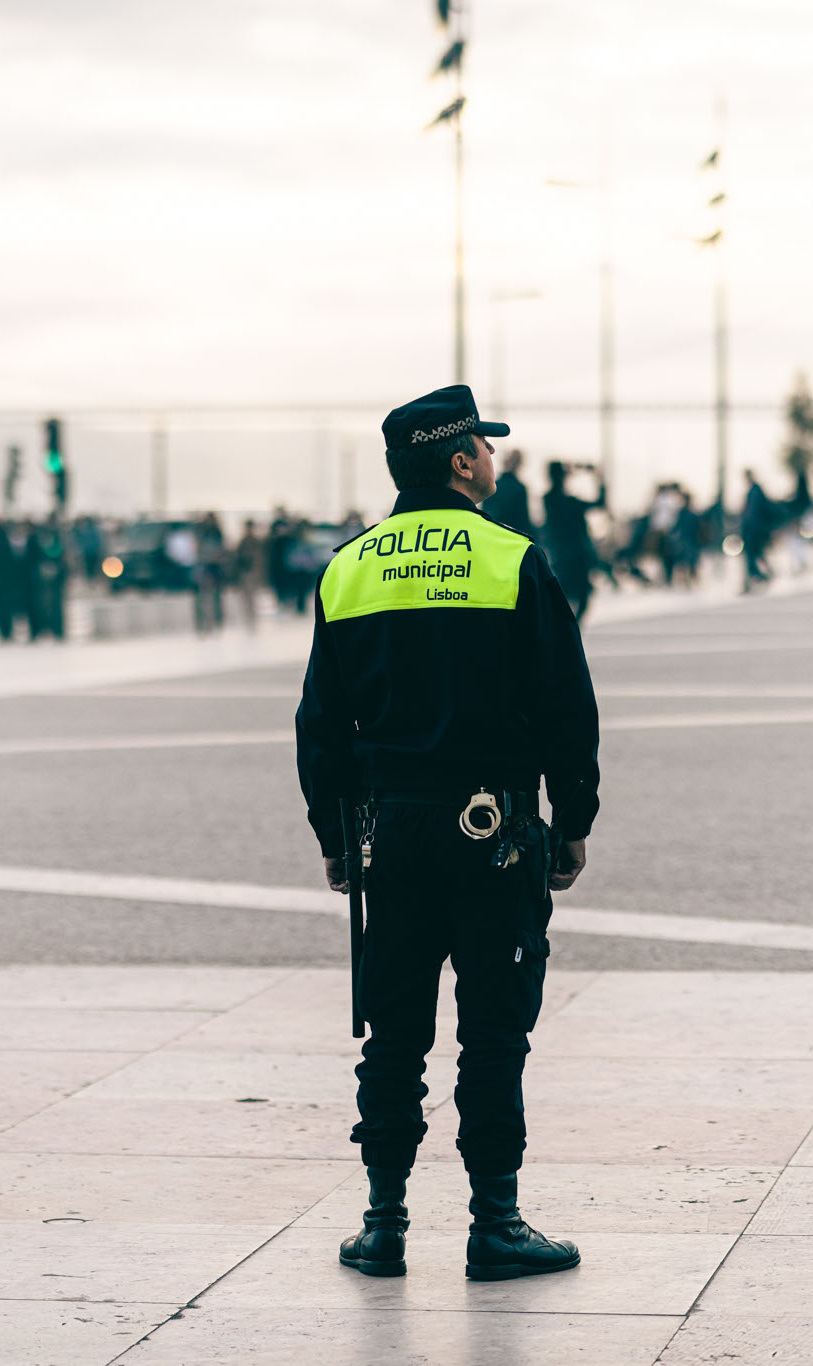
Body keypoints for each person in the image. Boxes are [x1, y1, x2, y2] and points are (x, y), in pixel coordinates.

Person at [298, 383, 596, 1285]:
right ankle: (494, 1224)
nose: (495, 460)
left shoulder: (349, 566)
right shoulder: (512, 560)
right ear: (461, 461)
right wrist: (573, 820)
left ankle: (383, 1225)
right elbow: (564, 706)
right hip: (493, 828)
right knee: (493, 1033)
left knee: (392, 1034)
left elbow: (320, 723)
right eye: (486, 447)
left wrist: (337, 838)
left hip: (391, 832)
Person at [540, 460, 606, 620]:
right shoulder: (570, 502)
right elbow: (600, 502)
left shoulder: (548, 499)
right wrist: (597, 477)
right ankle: (571, 630)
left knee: (562, 597)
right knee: (582, 598)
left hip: (559, 555)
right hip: (577, 556)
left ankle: (564, 631)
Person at [0, 518, 28, 641]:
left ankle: (4, 632)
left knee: (1, 611)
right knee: (6, 609)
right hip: (6, 585)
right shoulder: (5, 546)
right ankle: (7, 631)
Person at [479, 448, 535, 540]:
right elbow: (524, 520)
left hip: (494, 534)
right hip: (514, 537)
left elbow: (486, 512)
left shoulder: (493, 485)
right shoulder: (520, 488)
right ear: (519, 464)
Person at [738, 469, 776, 592]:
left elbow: (752, 513)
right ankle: (763, 575)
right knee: (756, 554)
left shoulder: (754, 492)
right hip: (756, 529)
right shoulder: (756, 491)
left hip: (753, 529)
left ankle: (758, 577)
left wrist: (747, 524)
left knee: (751, 555)